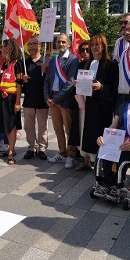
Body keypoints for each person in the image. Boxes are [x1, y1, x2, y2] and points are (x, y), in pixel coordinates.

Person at [74, 34, 119, 171]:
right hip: (86, 103)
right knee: (84, 130)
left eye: (97, 45)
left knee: (97, 132)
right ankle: (86, 160)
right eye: (92, 45)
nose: (94, 48)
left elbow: (114, 87)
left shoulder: (111, 65)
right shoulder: (85, 64)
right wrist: (78, 83)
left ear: (103, 47)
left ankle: (98, 162)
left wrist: (102, 87)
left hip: (101, 105)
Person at [44, 33, 80, 169]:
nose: (61, 44)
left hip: (65, 99)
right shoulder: (53, 60)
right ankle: (62, 152)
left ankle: (71, 155)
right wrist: (47, 97)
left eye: (64, 42)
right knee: (57, 128)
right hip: (53, 99)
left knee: (68, 129)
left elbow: (70, 83)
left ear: (69, 43)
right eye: (59, 42)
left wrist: (55, 99)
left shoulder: (73, 60)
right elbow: (47, 80)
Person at [0, 38, 23, 164]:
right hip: (0, 97)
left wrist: (18, 102)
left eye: (3, 46)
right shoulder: (1, 63)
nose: (0, 48)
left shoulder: (16, 64)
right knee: (4, 124)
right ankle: (10, 147)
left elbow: (19, 84)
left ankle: (11, 152)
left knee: (11, 125)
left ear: (9, 48)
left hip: (11, 98)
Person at [21, 36, 49, 160]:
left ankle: (42, 148)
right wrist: (22, 79)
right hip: (28, 100)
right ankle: (31, 147)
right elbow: (18, 81)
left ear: (39, 46)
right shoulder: (24, 62)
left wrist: (47, 71)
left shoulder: (46, 61)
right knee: (28, 126)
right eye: (30, 44)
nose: (31, 46)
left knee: (43, 126)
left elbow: (52, 80)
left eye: (34, 44)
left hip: (42, 100)